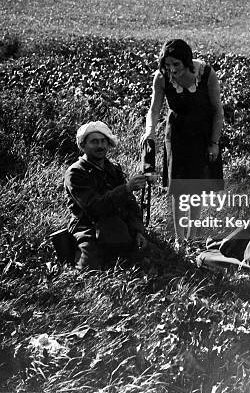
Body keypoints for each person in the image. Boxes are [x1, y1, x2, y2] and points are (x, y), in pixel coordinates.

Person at [142, 39, 224, 246]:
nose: (172, 69)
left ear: (186, 61)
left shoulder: (205, 73)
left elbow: (217, 111)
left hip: (203, 134)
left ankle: (193, 236)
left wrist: (214, 142)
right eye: (167, 65)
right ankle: (180, 239)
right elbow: (154, 109)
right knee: (179, 188)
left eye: (176, 64)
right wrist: (150, 132)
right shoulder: (161, 78)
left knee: (197, 186)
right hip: (177, 134)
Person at [64, 121, 151, 270]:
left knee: (152, 257)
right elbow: (95, 208)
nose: (100, 146)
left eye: (103, 141)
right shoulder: (76, 173)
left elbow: (130, 204)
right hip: (88, 225)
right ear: (83, 146)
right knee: (89, 269)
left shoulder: (113, 169)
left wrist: (137, 231)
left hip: (116, 221)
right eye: (94, 142)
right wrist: (127, 188)